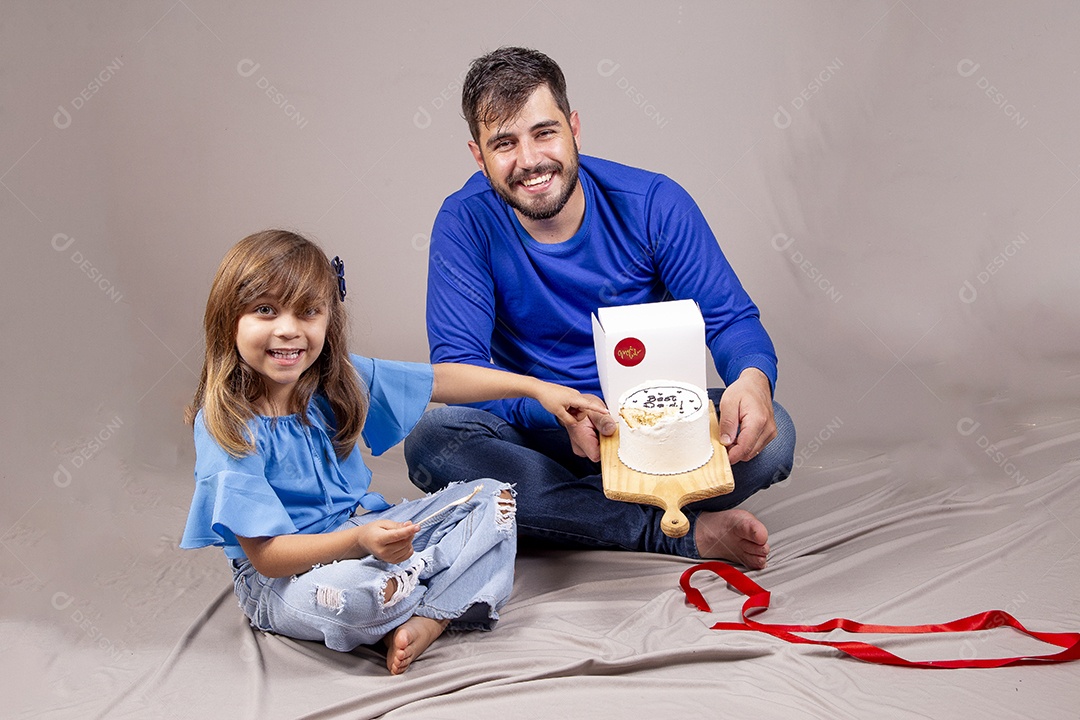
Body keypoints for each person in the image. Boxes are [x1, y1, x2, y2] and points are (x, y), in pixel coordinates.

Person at [404, 47, 796, 569]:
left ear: (575, 129)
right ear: (479, 156)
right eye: (504, 143)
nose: (529, 160)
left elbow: (731, 320)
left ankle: (555, 508)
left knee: (775, 437)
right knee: (433, 442)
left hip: (649, 426)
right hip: (529, 431)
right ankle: (666, 530)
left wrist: (752, 377)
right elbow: (459, 368)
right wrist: (544, 404)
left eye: (544, 133)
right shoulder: (464, 221)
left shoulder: (654, 201)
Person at [179, 229, 607, 674]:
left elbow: (442, 381)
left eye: (308, 311)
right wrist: (359, 542)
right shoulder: (224, 424)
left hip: (368, 531)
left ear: (329, 318)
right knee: (348, 595)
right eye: (265, 310)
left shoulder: (335, 378)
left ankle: (425, 613)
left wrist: (537, 388)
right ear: (228, 319)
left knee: (493, 499)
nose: (288, 330)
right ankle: (438, 588)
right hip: (284, 578)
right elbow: (266, 557)